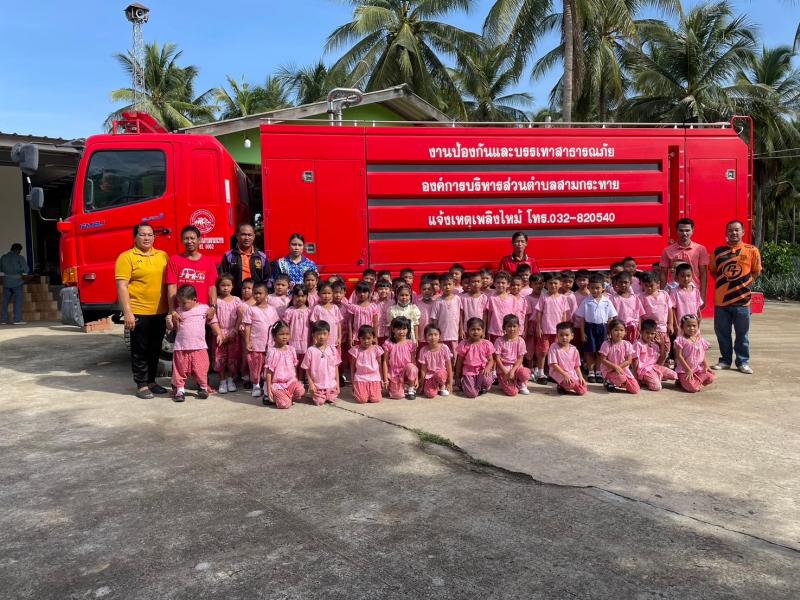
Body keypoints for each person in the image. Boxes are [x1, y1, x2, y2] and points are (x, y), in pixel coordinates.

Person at [115, 224, 170, 399]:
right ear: (135, 237)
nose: (146, 238)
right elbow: (122, 286)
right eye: (142, 235)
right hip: (138, 311)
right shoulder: (126, 257)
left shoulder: (162, 256)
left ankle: (152, 381)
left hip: (160, 311)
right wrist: (128, 312)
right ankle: (141, 385)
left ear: (154, 237)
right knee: (140, 350)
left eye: (150, 235)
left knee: (155, 349)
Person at [709, 220, 762, 374]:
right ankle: (725, 361)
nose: (733, 233)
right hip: (721, 301)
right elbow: (713, 271)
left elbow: (756, 271)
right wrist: (725, 284)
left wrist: (744, 283)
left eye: (737, 230)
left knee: (742, 335)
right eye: (730, 230)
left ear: (743, 232)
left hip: (743, 301)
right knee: (722, 333)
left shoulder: (752, 250)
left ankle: (742, 362)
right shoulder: (718, 252)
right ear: (726, 233)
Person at [167, 284, 222, 402]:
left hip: (199, 347)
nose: (181, 305)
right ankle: (180, 390)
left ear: (194, 299)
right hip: (181, 347)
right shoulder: (178, 311)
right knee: (180, 370)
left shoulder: (204, 309)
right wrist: (169, 320)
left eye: (184, 303)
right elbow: (171, 327)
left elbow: (213, 321)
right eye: (179, 302)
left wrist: (218, 333)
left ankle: (203, 388)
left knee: (201, 368)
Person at [166, 226, 218, 316]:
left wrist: (213, 307)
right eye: (186, 239)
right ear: (181, 241)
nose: (189, 241)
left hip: (203, 312)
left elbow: (212, 287)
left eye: (192, 238)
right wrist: (172, 310)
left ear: (199, 240)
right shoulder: (174, 260)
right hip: (181, 312)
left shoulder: (208, 262)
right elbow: (172, 287)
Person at [577, 274, 618, 384]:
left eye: (597, 288)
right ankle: (591, 371)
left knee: (601, 351)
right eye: (592, 288)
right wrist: (582, 333)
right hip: (589, 328)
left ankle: (599, 371)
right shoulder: (586, 301)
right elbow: (581, 319)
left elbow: (611, 318)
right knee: (590, 350)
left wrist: (610, 332)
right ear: (589, 288)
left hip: (603, 328)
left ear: (603, 288)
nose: (595, 290)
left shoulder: (607, 301)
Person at [243, 282, 279, 398]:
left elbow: (276, 326)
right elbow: (247, 327)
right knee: (255, 366)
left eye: (260, 293)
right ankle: (256, 385)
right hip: (256, 343)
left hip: (270, 344)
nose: (257, 295)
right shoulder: (250, 309)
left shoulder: (272, 309)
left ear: (266, 294)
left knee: (269, 365)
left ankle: (267, 385)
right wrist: (247, 342)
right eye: (255, 293)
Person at [659, 218, 709, 298]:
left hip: (693, 292)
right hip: (674, 292)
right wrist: (663, 294)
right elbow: (663, 274)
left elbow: (703, 274)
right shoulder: (667, 250)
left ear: (692, 231)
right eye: (681, 230)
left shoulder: (700, 249)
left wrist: (702, 295)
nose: (684, 233)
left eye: (687, 230)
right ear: (676, 231)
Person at [533, 275, 569, 383]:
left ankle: (553, 372)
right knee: (543, 351)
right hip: (545, 330)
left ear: (560, 284)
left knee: (556, 352)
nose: (553, 285)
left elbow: (564, 314)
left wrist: (564, 329)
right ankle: (540, 372)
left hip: (558, 332)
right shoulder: (544, 297)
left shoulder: (563, 298)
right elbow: (539, 313)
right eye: (550, 283)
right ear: (546, 285)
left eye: (555, 283)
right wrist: (538, 327)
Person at [219, 223, 271, 296]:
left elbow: (267, 280)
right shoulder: (229, 256)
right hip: (235, 297)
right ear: (237, 236)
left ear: (254, 237)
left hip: (256, 297)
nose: (247, 238)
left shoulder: (261, 257)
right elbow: (222, 279)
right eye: (243, 234)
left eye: (249, 235)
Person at [214, 274, 243, 394]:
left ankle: (230, 380)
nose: (225, 288)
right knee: (220, 358)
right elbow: (213, 318)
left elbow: (240, 316)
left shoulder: (237, 300)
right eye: (222, 285)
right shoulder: (216, 300)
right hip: (219, 334)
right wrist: (219, 333)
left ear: (232, 286)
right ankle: (222, 381)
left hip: (233, 333)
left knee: (232, 357)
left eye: (228, 285)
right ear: (218, 286)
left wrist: (235, 331)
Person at [264, 321, 305, 409]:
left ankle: (285, 397)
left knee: (301, 390)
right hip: (277, 385)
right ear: (274, 336)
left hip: (290, 383)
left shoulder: (291, 350)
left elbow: (294, 368)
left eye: (287, 334)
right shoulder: (273, 352)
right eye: (281, 334)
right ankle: (275, 396)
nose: (285, 337)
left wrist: (296, 381)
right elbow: (269, 373)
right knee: (284, 404)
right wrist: (269, 390)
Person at [301, 320, 341, 405]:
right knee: (320, 401)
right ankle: (319, 395)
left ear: (329, 334)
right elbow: (307, 369)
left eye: (324, 334)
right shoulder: (311, 350)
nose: (322, 336)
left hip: (331, 384)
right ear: (313, 335)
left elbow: (336, 367)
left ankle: (328, 394)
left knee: (331, 399)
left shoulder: (333, 349)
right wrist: (311, 384)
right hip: (318, 385)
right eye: (318, 334)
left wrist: (337, 384)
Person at [674, 314, 715, 392]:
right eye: (688, 326)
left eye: (694, 326)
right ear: (682, 327)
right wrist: (688, 370)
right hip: (684, 370)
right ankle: (684, 381)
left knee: (711, 378)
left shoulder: (700, 340)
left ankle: (693, 382)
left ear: (698, 326)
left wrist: (706, 366)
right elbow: (679, 356)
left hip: (697, 369)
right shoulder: (680, 340)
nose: (692, 328)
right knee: (693, 389)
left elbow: (702, 354)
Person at [455, 317, 495, 398]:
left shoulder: (486, 344)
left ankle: (480, 386)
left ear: (482, 331)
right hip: (469, 372)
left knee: (487, 381)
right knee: (471, 394)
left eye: (478, 329)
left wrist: (487, 368)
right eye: (473, 329)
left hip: (482, 371)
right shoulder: (464, 344)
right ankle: (464, 382)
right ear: (468, 330)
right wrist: (458, 377)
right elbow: (459, 362)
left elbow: (491, 360)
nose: (476, 332)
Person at [633, 319, 677, 391]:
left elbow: (661, 359)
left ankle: (655, 377)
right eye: (647, 333)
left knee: (675, 375)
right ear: (641, 332)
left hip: (655, 368)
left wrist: (662, 344)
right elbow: (635, 361)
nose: (650, 336)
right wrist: (636, 377)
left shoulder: (655, 345)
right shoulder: (638, 344)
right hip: (644, 370)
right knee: (657, 387)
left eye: (652, 333)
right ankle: (645, 380)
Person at [599, 318, 640, 394]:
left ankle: (621, 383)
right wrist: (614, 367)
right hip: (609, 370)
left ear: (625, 332)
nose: (619, 332)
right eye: (616, 330)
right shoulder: (607, 344)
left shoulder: (627, 344)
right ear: (610, 332)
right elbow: (603, 359)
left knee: (635, 390)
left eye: (621, 330)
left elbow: (629, 361)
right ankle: (608, 381)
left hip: (623, 369)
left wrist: (619, 367)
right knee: (621, 378)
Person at [493, 314, 530, 396]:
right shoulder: (499, 341)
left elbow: (520, 359)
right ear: (504, 327)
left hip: (516, 367)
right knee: (513, 392)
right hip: (504, 370)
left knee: (525, 373)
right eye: (509, 326)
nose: (512, 329)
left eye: (514, 326)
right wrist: (505, 372)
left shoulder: (521, 341)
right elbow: (497, 358)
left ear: (518, 327)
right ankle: (504, 383)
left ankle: (521, 384)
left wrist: (513, 371)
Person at [382, 316, 419, 400]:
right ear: (393, 329)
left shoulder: (410, 343)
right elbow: (385, 362)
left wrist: (416, 378)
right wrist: (385, 379)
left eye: (404, 329)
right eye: (398, 329)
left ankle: (411, 388)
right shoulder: (388, 343)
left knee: (412, 367)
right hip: (394, 372)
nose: (401, 331)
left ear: (408, 330)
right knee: (397, 396)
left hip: (407, 371)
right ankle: (401, 386)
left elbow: (413, 362)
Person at [547, 322, 587, 396]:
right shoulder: (554, 347)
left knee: (583, 390)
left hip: (571, 373)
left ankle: (568, 386)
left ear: (572, 336)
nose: (564, 337)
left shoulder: (574, 349)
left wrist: (581, 377)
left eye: (567, 335)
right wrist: (565, 374)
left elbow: (576, 366)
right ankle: (561, 386)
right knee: (570, 384)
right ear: (557, 336)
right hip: (559, 373)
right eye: (561, 335)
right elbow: (553, 364)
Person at [349, 325, 384, 404]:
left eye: (369, 338)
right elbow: (352, 366)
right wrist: (353, 381)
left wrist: (381, 379)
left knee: (375, 399)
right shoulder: (356, 350)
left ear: (373, 338)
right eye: (363, 338)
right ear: (359, 338)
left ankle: (370, 392)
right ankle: (361, 391)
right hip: (360, 378)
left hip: (374, 377)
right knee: (362, 400)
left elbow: (379, 365)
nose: (366, 341)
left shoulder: (376, 349)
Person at [309, 282, 344, 359]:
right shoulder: (317, 308)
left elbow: (338, 324)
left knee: (333, 358)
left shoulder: (335, 308)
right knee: (321, 358)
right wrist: (314, 339)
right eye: (324, 293)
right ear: (318, 294)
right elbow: (314, 325)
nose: (326, 296)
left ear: (332, 294)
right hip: (320, 339)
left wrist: (339, 337)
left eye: (329, 293)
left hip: (334, 339)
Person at [418, 324, 454, 398]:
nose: (433, 337)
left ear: (439, 336)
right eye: (430, 335)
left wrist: (450, 383)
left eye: (435, 334)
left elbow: (449, 367)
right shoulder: (423, 350)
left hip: (442, 374)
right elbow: (423, 369)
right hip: (430, 376)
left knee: (440, 374)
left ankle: (442, 385)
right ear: (425, 337)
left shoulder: (444, 348)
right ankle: (436, 387)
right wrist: (422, 384)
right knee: (430, 394)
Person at [284, 284, 311, 378]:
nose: (300, 298)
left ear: (307, 296)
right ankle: (294, 379)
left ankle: (301, 379)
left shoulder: (309, 311)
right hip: (292, 340)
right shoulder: (289, 311)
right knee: (293, 360)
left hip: (306, 340)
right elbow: (285, 326)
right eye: (297, 296)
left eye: (303, 296)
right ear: (293, 296)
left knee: (303, 361)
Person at [609, 272, 645, 342]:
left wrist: (639, 329)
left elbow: (639, 315)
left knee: (632, 347)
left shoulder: (635, 298)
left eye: (625, 282)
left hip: (634, 328)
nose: (623, 285)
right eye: (620, 282)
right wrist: (610, 330)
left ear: (630, 283)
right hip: (619, 329)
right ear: (617, 283)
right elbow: (610, 317)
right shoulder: (613, 298)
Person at [430, 273, 461, 354]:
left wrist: (461, 330)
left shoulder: (457, 299)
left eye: (449, 284)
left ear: (454, 284)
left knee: (455, 354)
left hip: (454, 334)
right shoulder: (437, 301)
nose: (447, 287)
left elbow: (460, 315)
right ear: (440, 286)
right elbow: (434, 319)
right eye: (444, 285)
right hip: (442, 335)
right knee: (443, 354)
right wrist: (436, 333)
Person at [1, 243, 28, 325]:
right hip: (17, 282)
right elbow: (26, 270)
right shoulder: (20, 257)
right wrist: (19, 270)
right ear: (18, 250)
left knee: (5, 302)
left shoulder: (3, 257)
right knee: (18, 301)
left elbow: (1, 269)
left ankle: (4, 320)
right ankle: (17, 319)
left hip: (6, 281)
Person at [485, 271, 516, 343]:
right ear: (494, 283)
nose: (500, 285)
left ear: (508, 284)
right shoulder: (491, 298)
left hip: (509, 330)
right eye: (498, 283)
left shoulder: (512, 298)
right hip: (494, 330)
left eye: (503, 283)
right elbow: (489, 315)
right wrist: (488, 330)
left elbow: (515, 316)